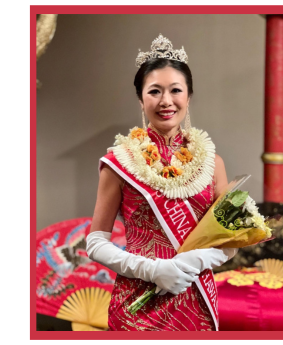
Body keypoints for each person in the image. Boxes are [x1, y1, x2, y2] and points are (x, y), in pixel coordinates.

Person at [86, 34, 238, 331]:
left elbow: (230, 239)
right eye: (154, 91)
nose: (166, 101)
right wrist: (155, 270)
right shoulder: (120, 163)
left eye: (175, 90)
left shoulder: (212, 163)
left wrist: (195, 261)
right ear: (141, 100)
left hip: (196, 298)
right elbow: (95, 242)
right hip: (137, 303)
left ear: (189, 97)